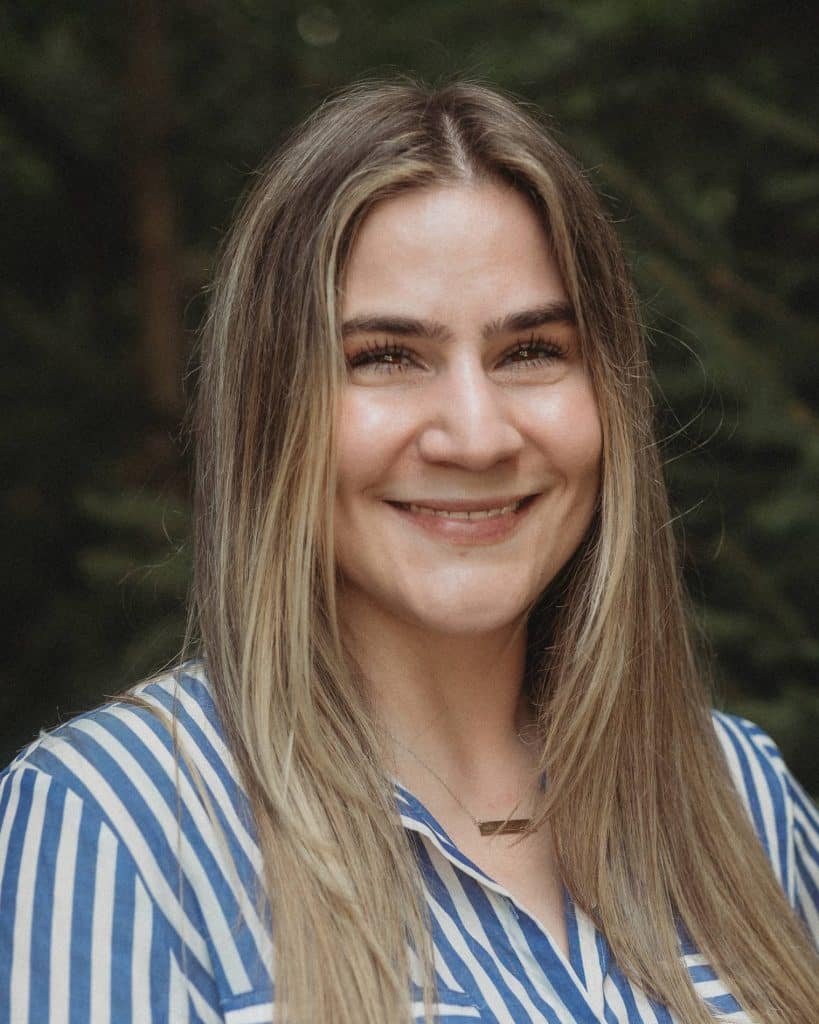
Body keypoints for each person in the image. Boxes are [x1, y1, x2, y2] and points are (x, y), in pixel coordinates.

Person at [0, 79, 817, 1024]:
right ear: (272, 411)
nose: (475, 437)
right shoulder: (119, 828)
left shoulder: (739, 794)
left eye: (531, 351)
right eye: (386, 357)